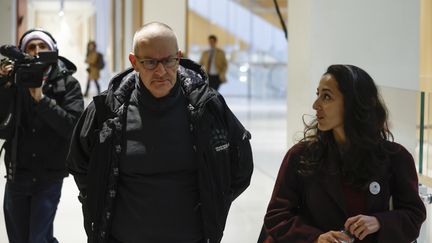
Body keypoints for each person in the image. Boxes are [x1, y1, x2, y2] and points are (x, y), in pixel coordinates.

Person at [67, 22, 253, 243]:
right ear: (134, 62)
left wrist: (214, 202)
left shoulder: (208, 108)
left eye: (168, 61)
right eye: (150, 62)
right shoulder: (107, 111)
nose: (161, 71)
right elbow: (79, 163)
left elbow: (240, 167)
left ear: (179, 57)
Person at [263, 65, 426, 243]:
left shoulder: (396, 157)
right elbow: (276, 216)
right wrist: (316, 238)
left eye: (326, 97)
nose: (315, 105)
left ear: (353, 103)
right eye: (317, 95)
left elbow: (414, 215)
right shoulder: (301, 156)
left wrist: (379, 222)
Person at [0, 28, 84, 243]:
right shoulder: (15, 80)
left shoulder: (68, 84)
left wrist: (41, 100)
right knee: (18, 238)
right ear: (23, 52)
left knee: (37, 238)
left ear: (52, 50)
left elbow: (72, 127)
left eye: (42, 46)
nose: (37, 51)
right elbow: (3, 126)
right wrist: (5, 86)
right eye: (31, 47)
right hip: (17, 172)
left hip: (49, 175)